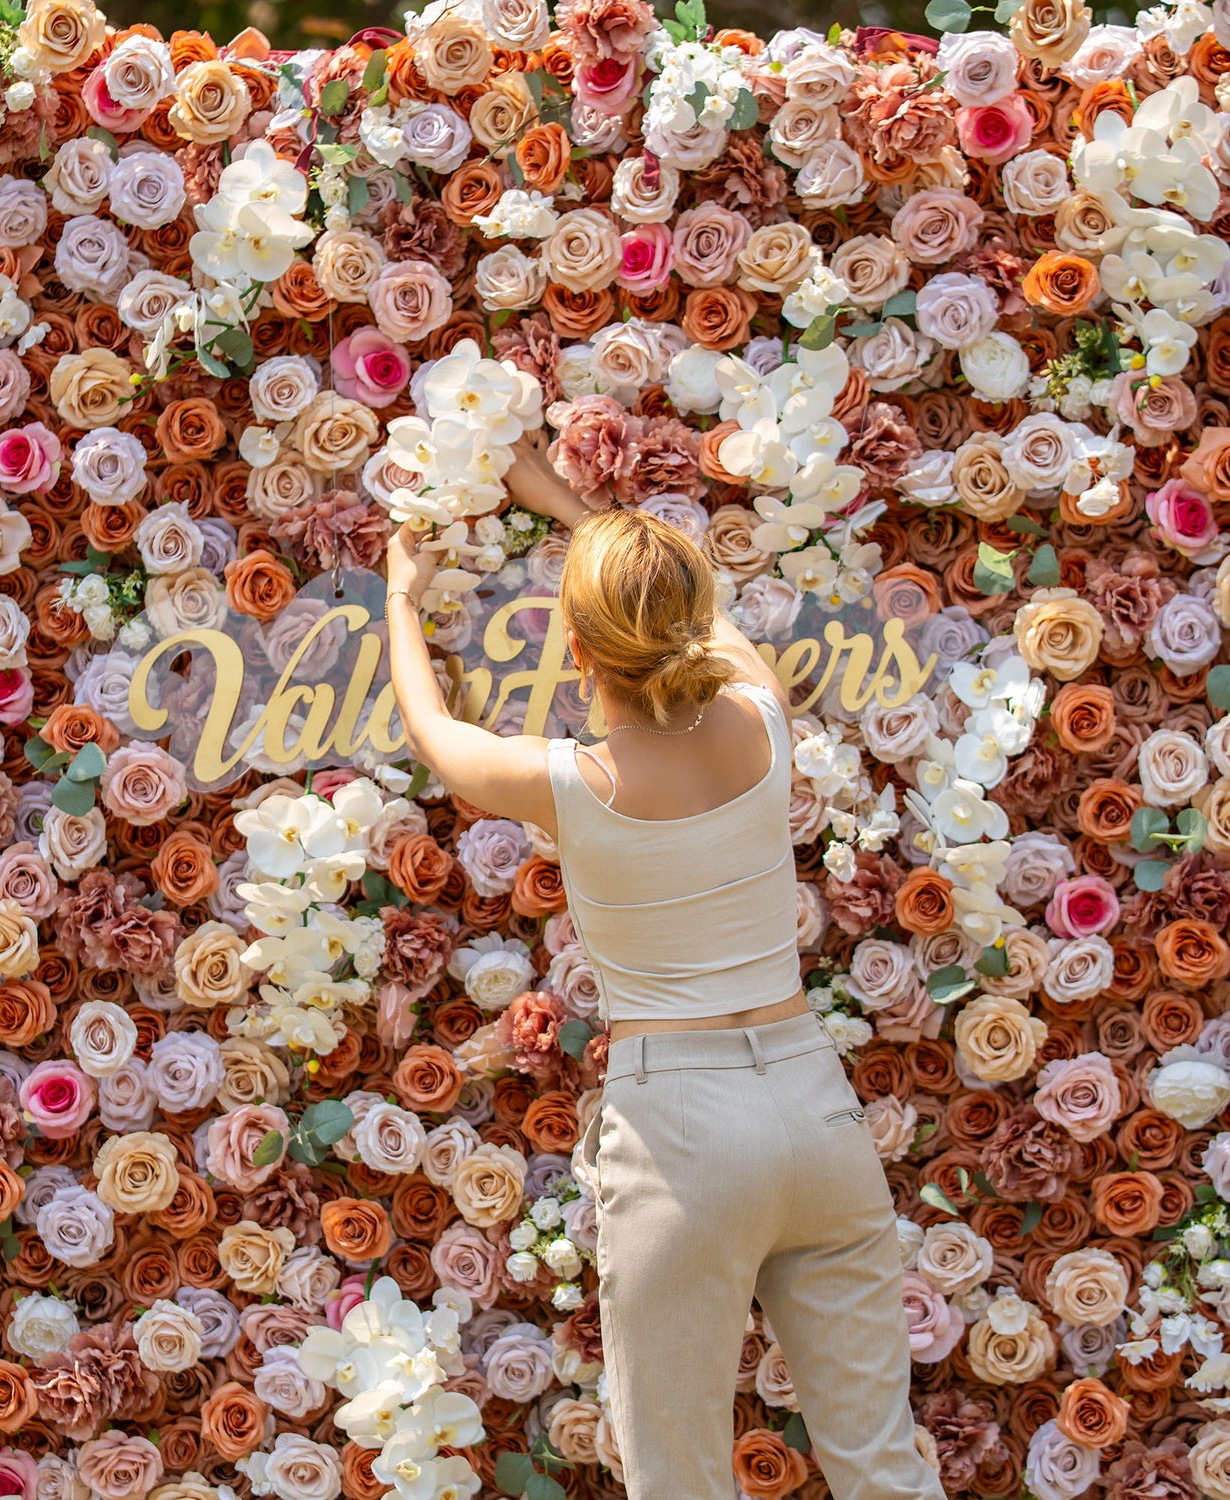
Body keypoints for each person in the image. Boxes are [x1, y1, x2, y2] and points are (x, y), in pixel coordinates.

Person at [382, 440, 945, 1500]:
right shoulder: (762, 720)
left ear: (580, 649)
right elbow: (704, 632)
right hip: (811, 1106)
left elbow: (435, 731)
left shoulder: (574, 781)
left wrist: (404, 599)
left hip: (685, 1129)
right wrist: (558, 498)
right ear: (691, 618)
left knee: (678, 1476)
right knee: (883, 1465)